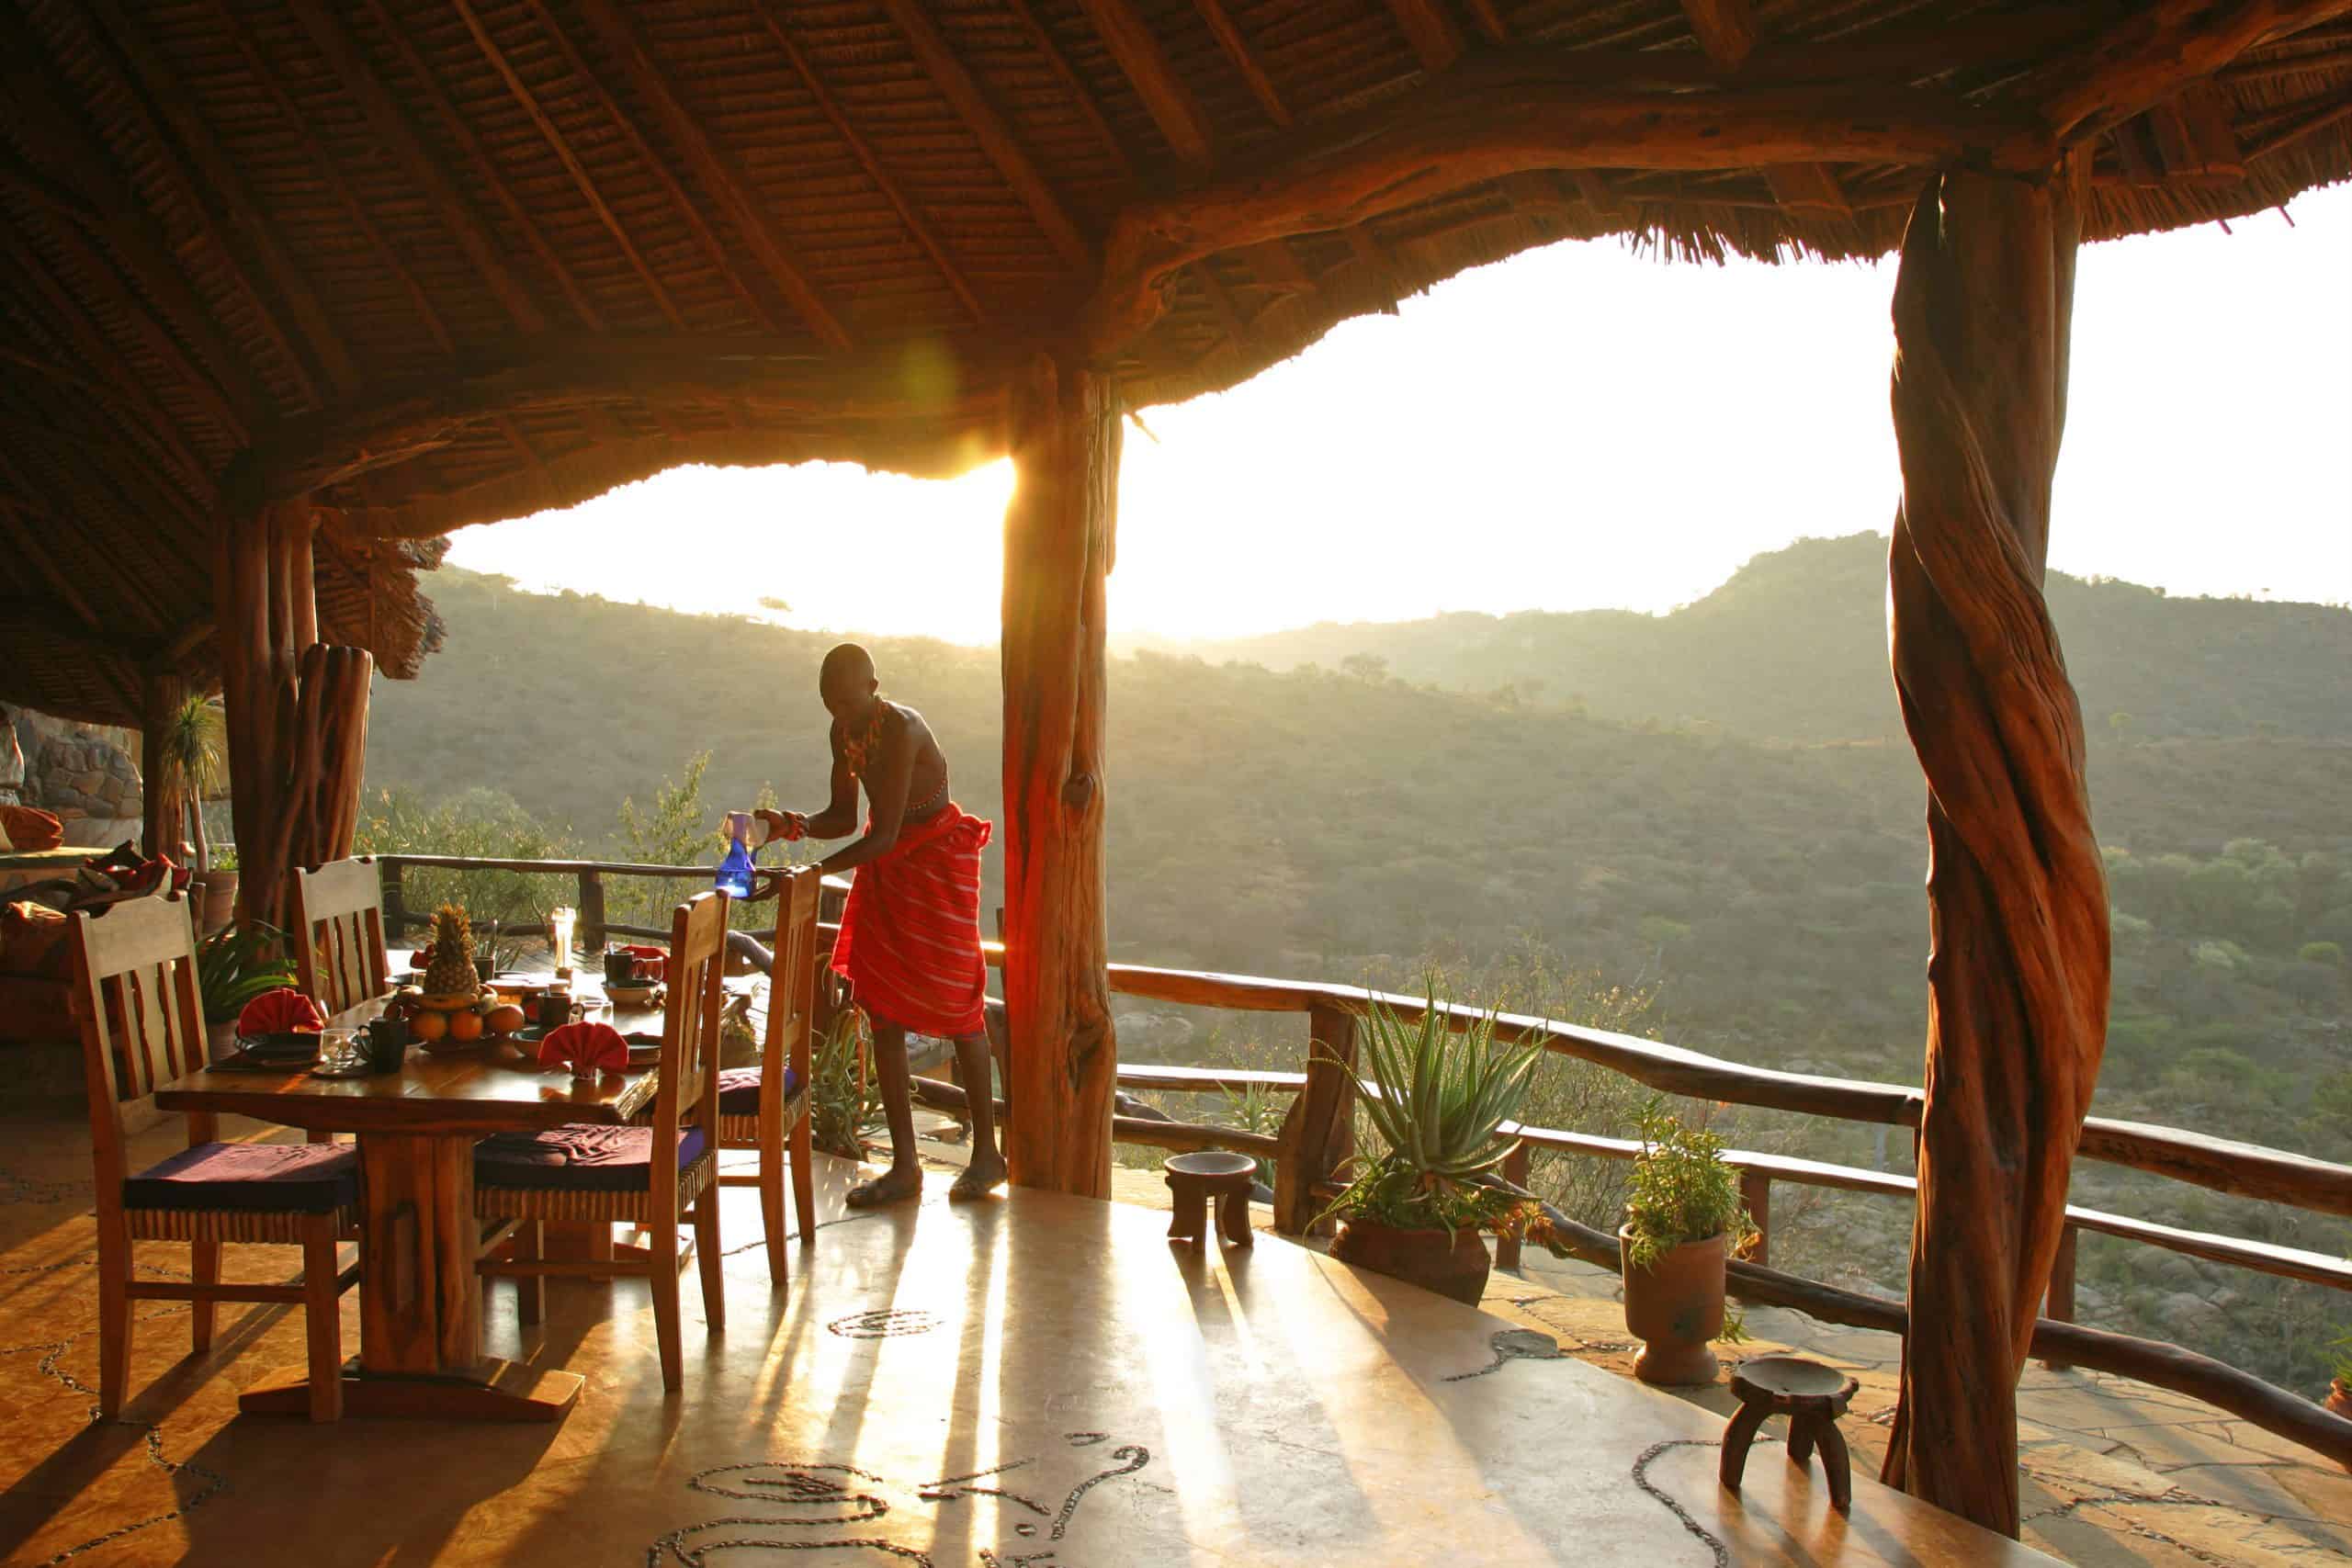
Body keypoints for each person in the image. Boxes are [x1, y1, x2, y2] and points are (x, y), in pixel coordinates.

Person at [755, 644, 1002, 1206]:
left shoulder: (903, 730)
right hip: (889, 869)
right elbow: (844, 817)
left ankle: (988, 1154)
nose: (840, 713)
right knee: (884, 1012)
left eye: (847, 700)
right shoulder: (845, 731)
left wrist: (809, 873)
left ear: (874, 685)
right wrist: (787, 825)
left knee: (961, 1007)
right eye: (830, 704)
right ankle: (905, 1168)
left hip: (936, 863)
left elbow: (885, 834)